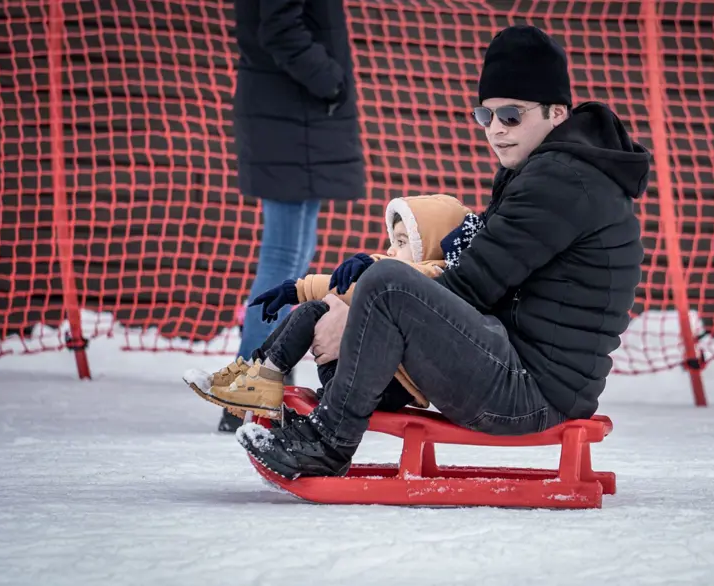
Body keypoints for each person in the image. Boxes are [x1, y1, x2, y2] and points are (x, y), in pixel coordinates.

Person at [234, 24, 651, 481]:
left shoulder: (560, 180)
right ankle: (328, 411)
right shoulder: (556, 168)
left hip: (531, 392)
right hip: (528, 369)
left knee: (388, 285)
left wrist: (356, 315)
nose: (495, 130)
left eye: (510, 115)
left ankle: (329, 443)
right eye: (484, 116)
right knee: (383, 285)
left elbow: (471, 287)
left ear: (556, 112)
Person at [184, 194, 473, 417]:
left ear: (431, 245)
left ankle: (264, 380)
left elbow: (414, 278)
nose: (390, 249)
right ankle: (255, 371)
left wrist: (373, 264)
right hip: (368, 377)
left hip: (387, 388)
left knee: (314, 312)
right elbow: (349, 287)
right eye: (392, 240)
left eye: (401, 241)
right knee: (320, 305)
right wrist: (296, 290)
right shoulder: (399, 274)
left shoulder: (439, 277)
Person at [220, 0, 365, 431]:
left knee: (295, 255)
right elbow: (280, 27)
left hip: (294, 119)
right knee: (284, 256)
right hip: (290, 115)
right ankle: (249, 384)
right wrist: (330, 80)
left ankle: (264, 379)